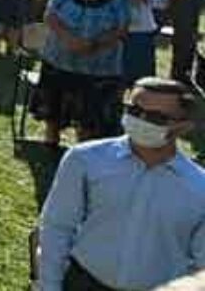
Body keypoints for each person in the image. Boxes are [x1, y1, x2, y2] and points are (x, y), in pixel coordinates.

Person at [38, 78, 205, 291]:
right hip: (83, 282)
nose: (142, 120)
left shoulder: (199, 187)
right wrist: (48, 286)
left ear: (184, 127)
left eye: (156, 117)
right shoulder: (85, 159)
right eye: (134, 111)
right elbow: (57, 227)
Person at [34, 0, 133, 145]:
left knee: (90, 115)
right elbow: (50, 16)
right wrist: (69, 39)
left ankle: (84, 147)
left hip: (99, 67)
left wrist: (94, 44)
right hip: (59, 59)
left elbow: (122, 29)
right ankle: (50, 142)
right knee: (53, 107)